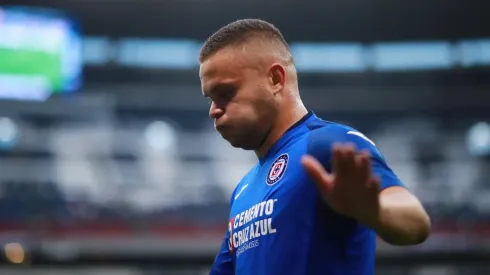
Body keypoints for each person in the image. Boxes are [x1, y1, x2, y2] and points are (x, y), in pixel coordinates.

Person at [199, 18, 431, 275]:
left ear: (276, 79)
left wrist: (373, 212)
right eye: (210, 98)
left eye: (226, 92)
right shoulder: (243, 190)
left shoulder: (326, 143)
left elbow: (416, 221)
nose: (213, 110)